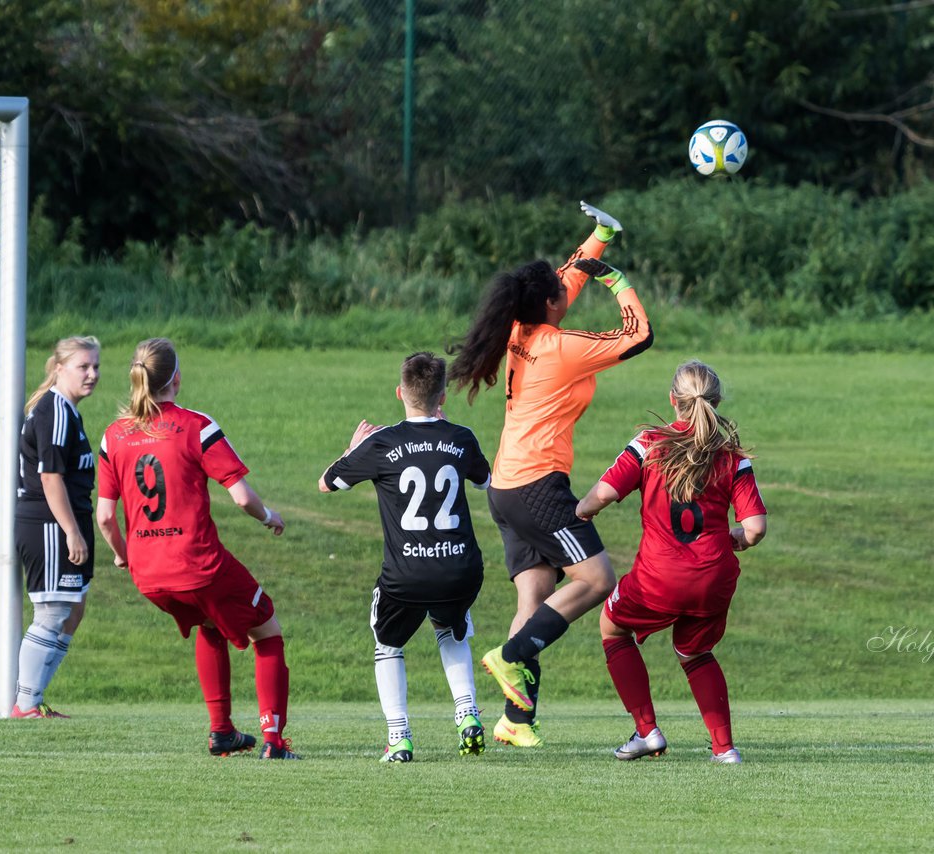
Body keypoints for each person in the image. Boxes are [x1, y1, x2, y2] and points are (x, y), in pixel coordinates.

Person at [448, 200, 653, 747]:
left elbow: (562, 280)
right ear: (549, 305)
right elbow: (638, 336)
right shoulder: (562, 348)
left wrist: (599, 238)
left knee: (533, 600)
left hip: (506, 487)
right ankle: (509, 657)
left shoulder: (520, 328)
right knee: (597, 580)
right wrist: (618, 282)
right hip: (538, 488)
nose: (569, 292)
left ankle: (515, 720)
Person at [95, 338, 297, 759]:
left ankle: (222, 733)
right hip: (197, 563)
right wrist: (268, 517)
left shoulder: (113, 436)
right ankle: (274, 742)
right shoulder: (195, 425)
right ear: (176, 378)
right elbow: (242, 498)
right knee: (268, 631)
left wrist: (123, 554)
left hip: (148, 575)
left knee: (210, 624)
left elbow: (104, 517)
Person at [576, 360, 767, 764]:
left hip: (659, 576)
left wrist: (582, 510)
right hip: (714, 576)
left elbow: (606, 492)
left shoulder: (650, 443)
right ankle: (725, 749)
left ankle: (647, 732)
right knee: (695, 653)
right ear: (715, 403)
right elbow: (754, 527)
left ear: (673, 401)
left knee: (612, 627)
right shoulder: (730, 455)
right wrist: (735, 540)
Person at [319, 352, 492, 762]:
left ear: (400, 393)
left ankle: (399, 737)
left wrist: (352, 449)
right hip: (460, 569)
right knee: (452, 628)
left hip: (406, 575)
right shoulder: (461, 437)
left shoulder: (381, 443)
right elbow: (487, 481)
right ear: (442, 396)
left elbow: (328, 483)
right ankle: (467, 714)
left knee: (387, 644)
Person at [11, 336, 101, 718]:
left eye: (96, 366)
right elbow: (50, 479)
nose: (92, 374)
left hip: (65, 520)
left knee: (74, 609)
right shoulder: (55, 410)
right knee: (52, 611)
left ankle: (35, 698)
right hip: (48, 523)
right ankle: (25, 704)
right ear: (60, 368)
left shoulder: (67, 410)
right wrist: (71, 531)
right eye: (83, 366)